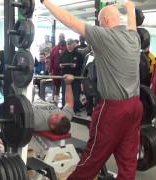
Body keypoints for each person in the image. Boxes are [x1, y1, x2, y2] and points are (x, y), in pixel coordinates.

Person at [42, 0, 142, 179]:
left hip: (113, 110)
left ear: (103, 21)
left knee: (92, 158)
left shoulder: (103, 35)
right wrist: (129, 6)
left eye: (99, 20)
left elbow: (70, 21)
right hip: (135, 107)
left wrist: (45, 1)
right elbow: (132, 23)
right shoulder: (134, 37)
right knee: (128, 162)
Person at [0, 74, 75, 134]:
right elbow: (69, 102)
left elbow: (18, 112)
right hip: (30, 102)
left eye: (55, 117)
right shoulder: (64, 118)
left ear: (52, 126)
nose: (56, 114)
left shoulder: (37, 122)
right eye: (59, 115)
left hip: (20, 105)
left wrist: (17, 85)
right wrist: (68, 83)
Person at [59, 38, 84, 113]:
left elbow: (82, 65)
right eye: (68, 44)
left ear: (74, 44)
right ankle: (65, 109)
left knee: (76, 95)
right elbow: (59, 63)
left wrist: (75, 66)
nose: (69, 46)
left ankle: (76, 109)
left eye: (70, 44)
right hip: (65, 78)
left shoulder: (78, 54)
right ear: (66, 45)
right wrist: (60, 65)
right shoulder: (63, 54)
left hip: (75, 78)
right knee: (64, 94)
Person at [49, 33, 66, 104]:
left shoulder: (67, 47)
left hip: (65, 71)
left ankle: (64, 103)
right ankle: (55, 102)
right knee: (56, 86)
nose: (61, 38)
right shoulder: (54, 48)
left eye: (62, 37)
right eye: (60, 37)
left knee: (65, 87)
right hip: (56, 71)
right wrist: (50, 70)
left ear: (64, 38)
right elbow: (51, 60)